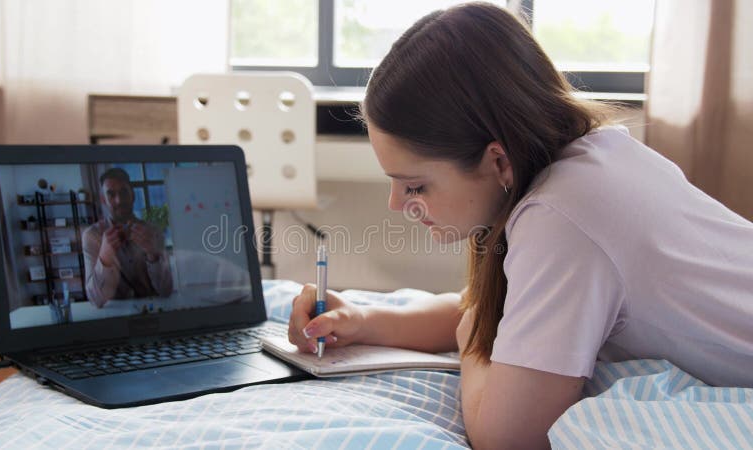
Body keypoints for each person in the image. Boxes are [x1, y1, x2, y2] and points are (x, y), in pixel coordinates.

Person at [287, 3, 753, 449]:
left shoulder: (566, 216)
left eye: (415, 186)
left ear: (497, 160)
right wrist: (364, 321)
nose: (396, 204)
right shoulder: (588, 164)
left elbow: (509, 438)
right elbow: (501, 313)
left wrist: (472, 336)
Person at [82, 167, 173, 308]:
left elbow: (166, 291)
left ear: (133, 195)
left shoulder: (154, 232)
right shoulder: (92, 236)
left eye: (124, 192)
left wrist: (153, 255)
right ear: (103, 200)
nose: (119, 200)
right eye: (111, 195)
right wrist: (105, 257)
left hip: (152, 313)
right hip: (114, 317)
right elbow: (96, 300)